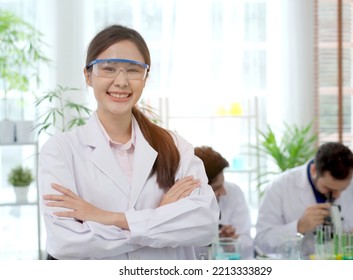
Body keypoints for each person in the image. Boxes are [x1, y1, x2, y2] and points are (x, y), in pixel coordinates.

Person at [38, 24, 219, 260]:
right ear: (88, 76)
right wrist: (159, 217)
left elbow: (204, 225)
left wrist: (109, 218)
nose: (121, 81)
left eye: (133, 70)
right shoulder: (61, 150)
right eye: (109, 68)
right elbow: (66, 243)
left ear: (146, 77)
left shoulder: (175, 146)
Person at [255, 142, 353, 258]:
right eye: (329, 189)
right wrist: (299, 227)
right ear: (313, 170)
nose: (337, 195)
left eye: (343, 188)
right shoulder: (281, 186)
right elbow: (262, 242)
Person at [194, 146, 254, 259]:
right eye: (216, 188)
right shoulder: (183, 204)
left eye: (222, 184)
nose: (223, 191)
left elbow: (247, 242)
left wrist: (230, 243)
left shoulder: (234, 192)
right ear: (197, 187)